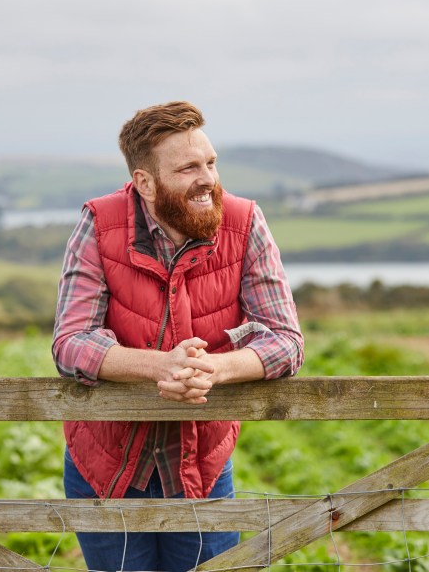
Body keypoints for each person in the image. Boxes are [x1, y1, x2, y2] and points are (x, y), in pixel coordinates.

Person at [52, 100, 304, 572]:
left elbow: (286, 339)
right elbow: (71, 342)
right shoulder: (98, 223)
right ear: (145, 182)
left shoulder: (245, 221)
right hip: (105, 464)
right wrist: (159, 366)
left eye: (210, 162)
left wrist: (214, 369)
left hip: (202, 466)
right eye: (188, 167)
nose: (207, 177)